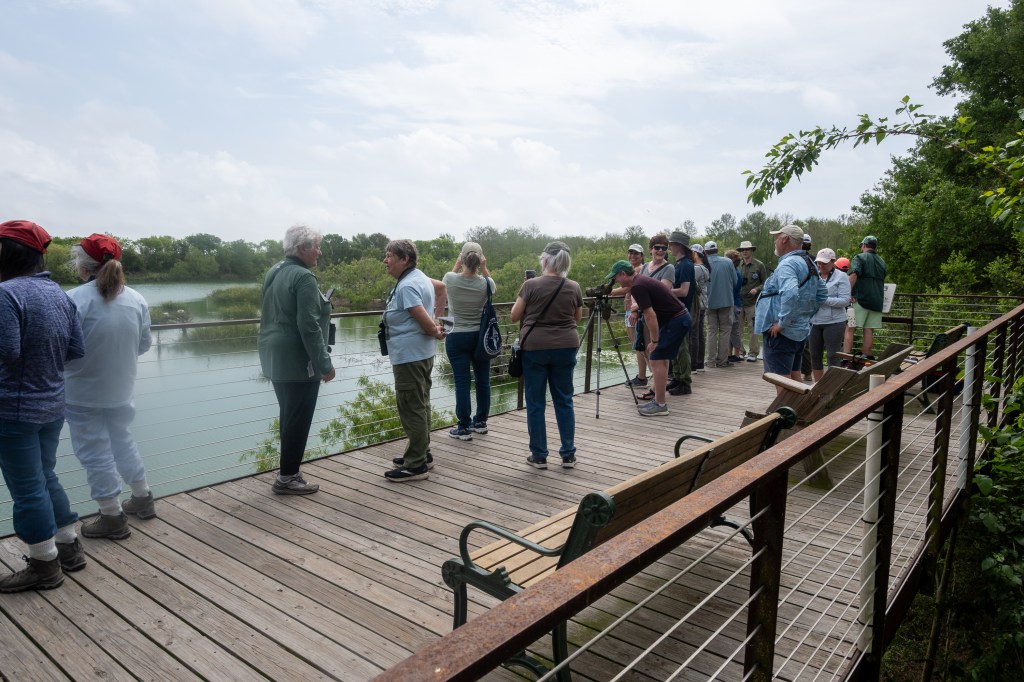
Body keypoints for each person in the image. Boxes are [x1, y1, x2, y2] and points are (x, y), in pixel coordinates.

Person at [0, 220, 85, 593]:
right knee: (45, 476)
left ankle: (44, 565)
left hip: (13, 411)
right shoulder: (58, 294)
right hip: (52, 404)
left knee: (28, 489)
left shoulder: (5, 294)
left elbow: (7, 350)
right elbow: (75, 350)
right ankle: (69, 547)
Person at [64, 234, 154, 540]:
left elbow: (63, 350)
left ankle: (112, 516)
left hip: (82, 392)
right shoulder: (137, 299)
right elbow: (143, 345)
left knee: (94, 452)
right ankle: (142, 497)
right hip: (121, 389)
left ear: (83, 264)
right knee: (122, 440)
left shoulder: (75, 299)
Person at [258, 225, 335, 495]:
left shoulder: (275, 270)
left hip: (274, 356)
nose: (320, 252)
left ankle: (289, 472)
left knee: (289, 416)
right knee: (298, 419)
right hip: (298, 361)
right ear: (303, 248)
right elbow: (309, 326)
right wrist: (325, 364)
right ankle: (287, 477)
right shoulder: (304, 277)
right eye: (316, 246)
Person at [509, 241, 582, 469]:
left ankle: (539, 455)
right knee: (564, 400)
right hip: (566, 346)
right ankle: (568, 454)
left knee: (536, 402)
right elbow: (577, 318)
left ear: (546, 260)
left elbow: (514, 316)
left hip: (535, 349)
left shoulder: (531, 285)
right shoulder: (574, 286)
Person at [381, 239, 447, 481]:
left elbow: (423, 320)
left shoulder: (408, 286)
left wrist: (435, 327)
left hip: (410, 356)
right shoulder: (420, 277)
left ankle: (416, 465)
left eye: (390, 256)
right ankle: (421, 453)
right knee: (421, 403)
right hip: (422, 353)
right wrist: (437, 321)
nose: (385, 261)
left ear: (404, 259)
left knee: (411, 406)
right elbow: (441, 288)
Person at [607, 260, 691, 417]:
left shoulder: (638, 286)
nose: (616, 280)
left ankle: (660, 405)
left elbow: (650, 315)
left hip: (676, 320)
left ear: (623, 274)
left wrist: (654, 340)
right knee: (661, 359)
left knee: (656, 359)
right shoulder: (640, 281)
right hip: (679, 318)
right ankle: (657, 396)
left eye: (616, 277)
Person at [754, 225, 827, 395]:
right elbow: (822, 294)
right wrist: (803, 316)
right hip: (798, 331)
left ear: (785, 239)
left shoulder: (788, 263)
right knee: (795, 379)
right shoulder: (808, 262)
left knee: (782, 382)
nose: (775, 241)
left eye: (777, 237)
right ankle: (803, 414)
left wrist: (782, 322)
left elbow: (791, 292)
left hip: (781, 334)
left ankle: (787, 418)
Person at [442, 242, 495, 440]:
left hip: (455, 336)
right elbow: (492, 288)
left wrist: (456, 265)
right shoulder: (486, 283)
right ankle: (480, 422)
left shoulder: (450, 279)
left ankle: (463, 427)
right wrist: (484, 267)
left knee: (462, 382)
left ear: (462, 259)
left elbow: (442, 286)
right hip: (480, 336)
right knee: (483, 381)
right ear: (481, 259)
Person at [632, 235, 674, 396]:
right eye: (657, 247)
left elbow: (662, 293)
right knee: (646, 350)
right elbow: (637, 288)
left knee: (659, 355)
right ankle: (654, 386)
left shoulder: (668, 268)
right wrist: (636, 309)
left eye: (664, 248)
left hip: (660, 318)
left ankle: (657, 391)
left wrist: (637, 305)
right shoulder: (644, 268)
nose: (660, 251)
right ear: (650, 249)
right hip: (645, 316)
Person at [808, 248, 851, 381]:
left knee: (833, 356)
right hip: (815, 321)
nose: (820, 266)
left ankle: (832, 387)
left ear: (833, 262)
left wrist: (824, 300)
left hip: (835, 322)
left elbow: (845, 300)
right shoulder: (814, 275)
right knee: (815, 355)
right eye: (818, 263)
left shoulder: (841, 276)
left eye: (824, 263)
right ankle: (818, 387)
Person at [844, 236, 888, 358]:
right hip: (877, 300)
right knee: (869, 329)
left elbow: (854, 275)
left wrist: (847, 293)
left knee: (850, 328)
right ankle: (867, 356)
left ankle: (845, 357)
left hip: (861, 299)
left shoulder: (859, 258)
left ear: (864, 245)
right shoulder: (882, 262)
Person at [667, 230, 695, 396]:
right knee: (675, 347)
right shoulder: (678, 264)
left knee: (682, 348)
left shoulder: (685, 265)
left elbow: (684, 291)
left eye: (671, 244)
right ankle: (677, 378)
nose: (669, 247)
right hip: (674, 312)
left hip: (681, 311)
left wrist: (663, 291)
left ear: (679, 246)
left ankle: (685, 381)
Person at [704, 241, 736, 368]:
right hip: (726, 302)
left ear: (705, 252)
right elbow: (735, 281)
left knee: (711, 332)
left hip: (709, 302)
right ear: (717, 250)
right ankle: (722, 361)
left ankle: (710, 362)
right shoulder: (728, 262)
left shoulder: (703, 264)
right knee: (724, 331)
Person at [619, 244, 646, 387]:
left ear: (642, 256)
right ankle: (642, 376)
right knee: (636, 345)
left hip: (634, 310)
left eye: (636, 253)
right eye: (630, 253)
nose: (633, 256)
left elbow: (626, 288)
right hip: (631, 310)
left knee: (638, 345)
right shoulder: (632, 270)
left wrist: (608, 292)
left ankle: (642, 378)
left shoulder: (638, 269)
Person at [737, 240, 767, 361]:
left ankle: (753, 353)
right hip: (739, 301)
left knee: (753, 328)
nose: (745, 252)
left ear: (751, 250)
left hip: (753, 302)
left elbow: (766, 283)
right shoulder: (737, 265)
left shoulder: (759, 265)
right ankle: (740, 352)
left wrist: (757, 288)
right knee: (737, 328)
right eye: (742, 250)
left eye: (747, 249)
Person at [689, 244, 709, 372]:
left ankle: (693, 365)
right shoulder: (705, 267)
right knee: (699, 334)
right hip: (703, 304)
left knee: (694, 334)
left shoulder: (696, 268)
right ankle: (700, 363)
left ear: (695, 254)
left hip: (697, 305)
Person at [725, 249, 745, 362]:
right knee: (730, 329)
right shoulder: (734, 271)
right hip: (732, 303)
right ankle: (729, 353)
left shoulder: (736, 273)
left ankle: (737, 354)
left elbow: (734, 289)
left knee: (734, 330)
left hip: (735, 304)